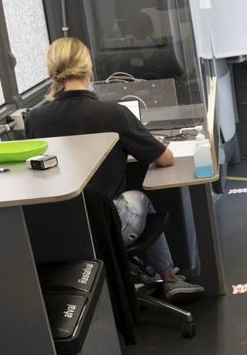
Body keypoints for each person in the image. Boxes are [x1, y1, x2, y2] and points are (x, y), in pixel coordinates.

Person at [25, 37, 204, 304]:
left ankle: (135, 274)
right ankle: (169, 278)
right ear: (88, 67)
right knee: (140, 198)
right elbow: (165, 159)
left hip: (62, 229)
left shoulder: (35, 119)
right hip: (109, 225)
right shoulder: (113, 114)